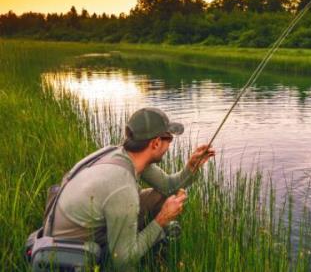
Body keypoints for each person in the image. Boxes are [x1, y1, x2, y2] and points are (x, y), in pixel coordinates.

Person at [46, 107, 215, 270]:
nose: (169, 145)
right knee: (128, 256)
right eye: (169, 139)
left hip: (82, 228)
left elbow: (168, 187)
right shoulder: (122, 187)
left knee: (160, 197)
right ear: (155, 143)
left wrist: (192, 167)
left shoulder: (124, 154)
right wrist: (162, 219)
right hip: (73, 253)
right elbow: (122, 261)